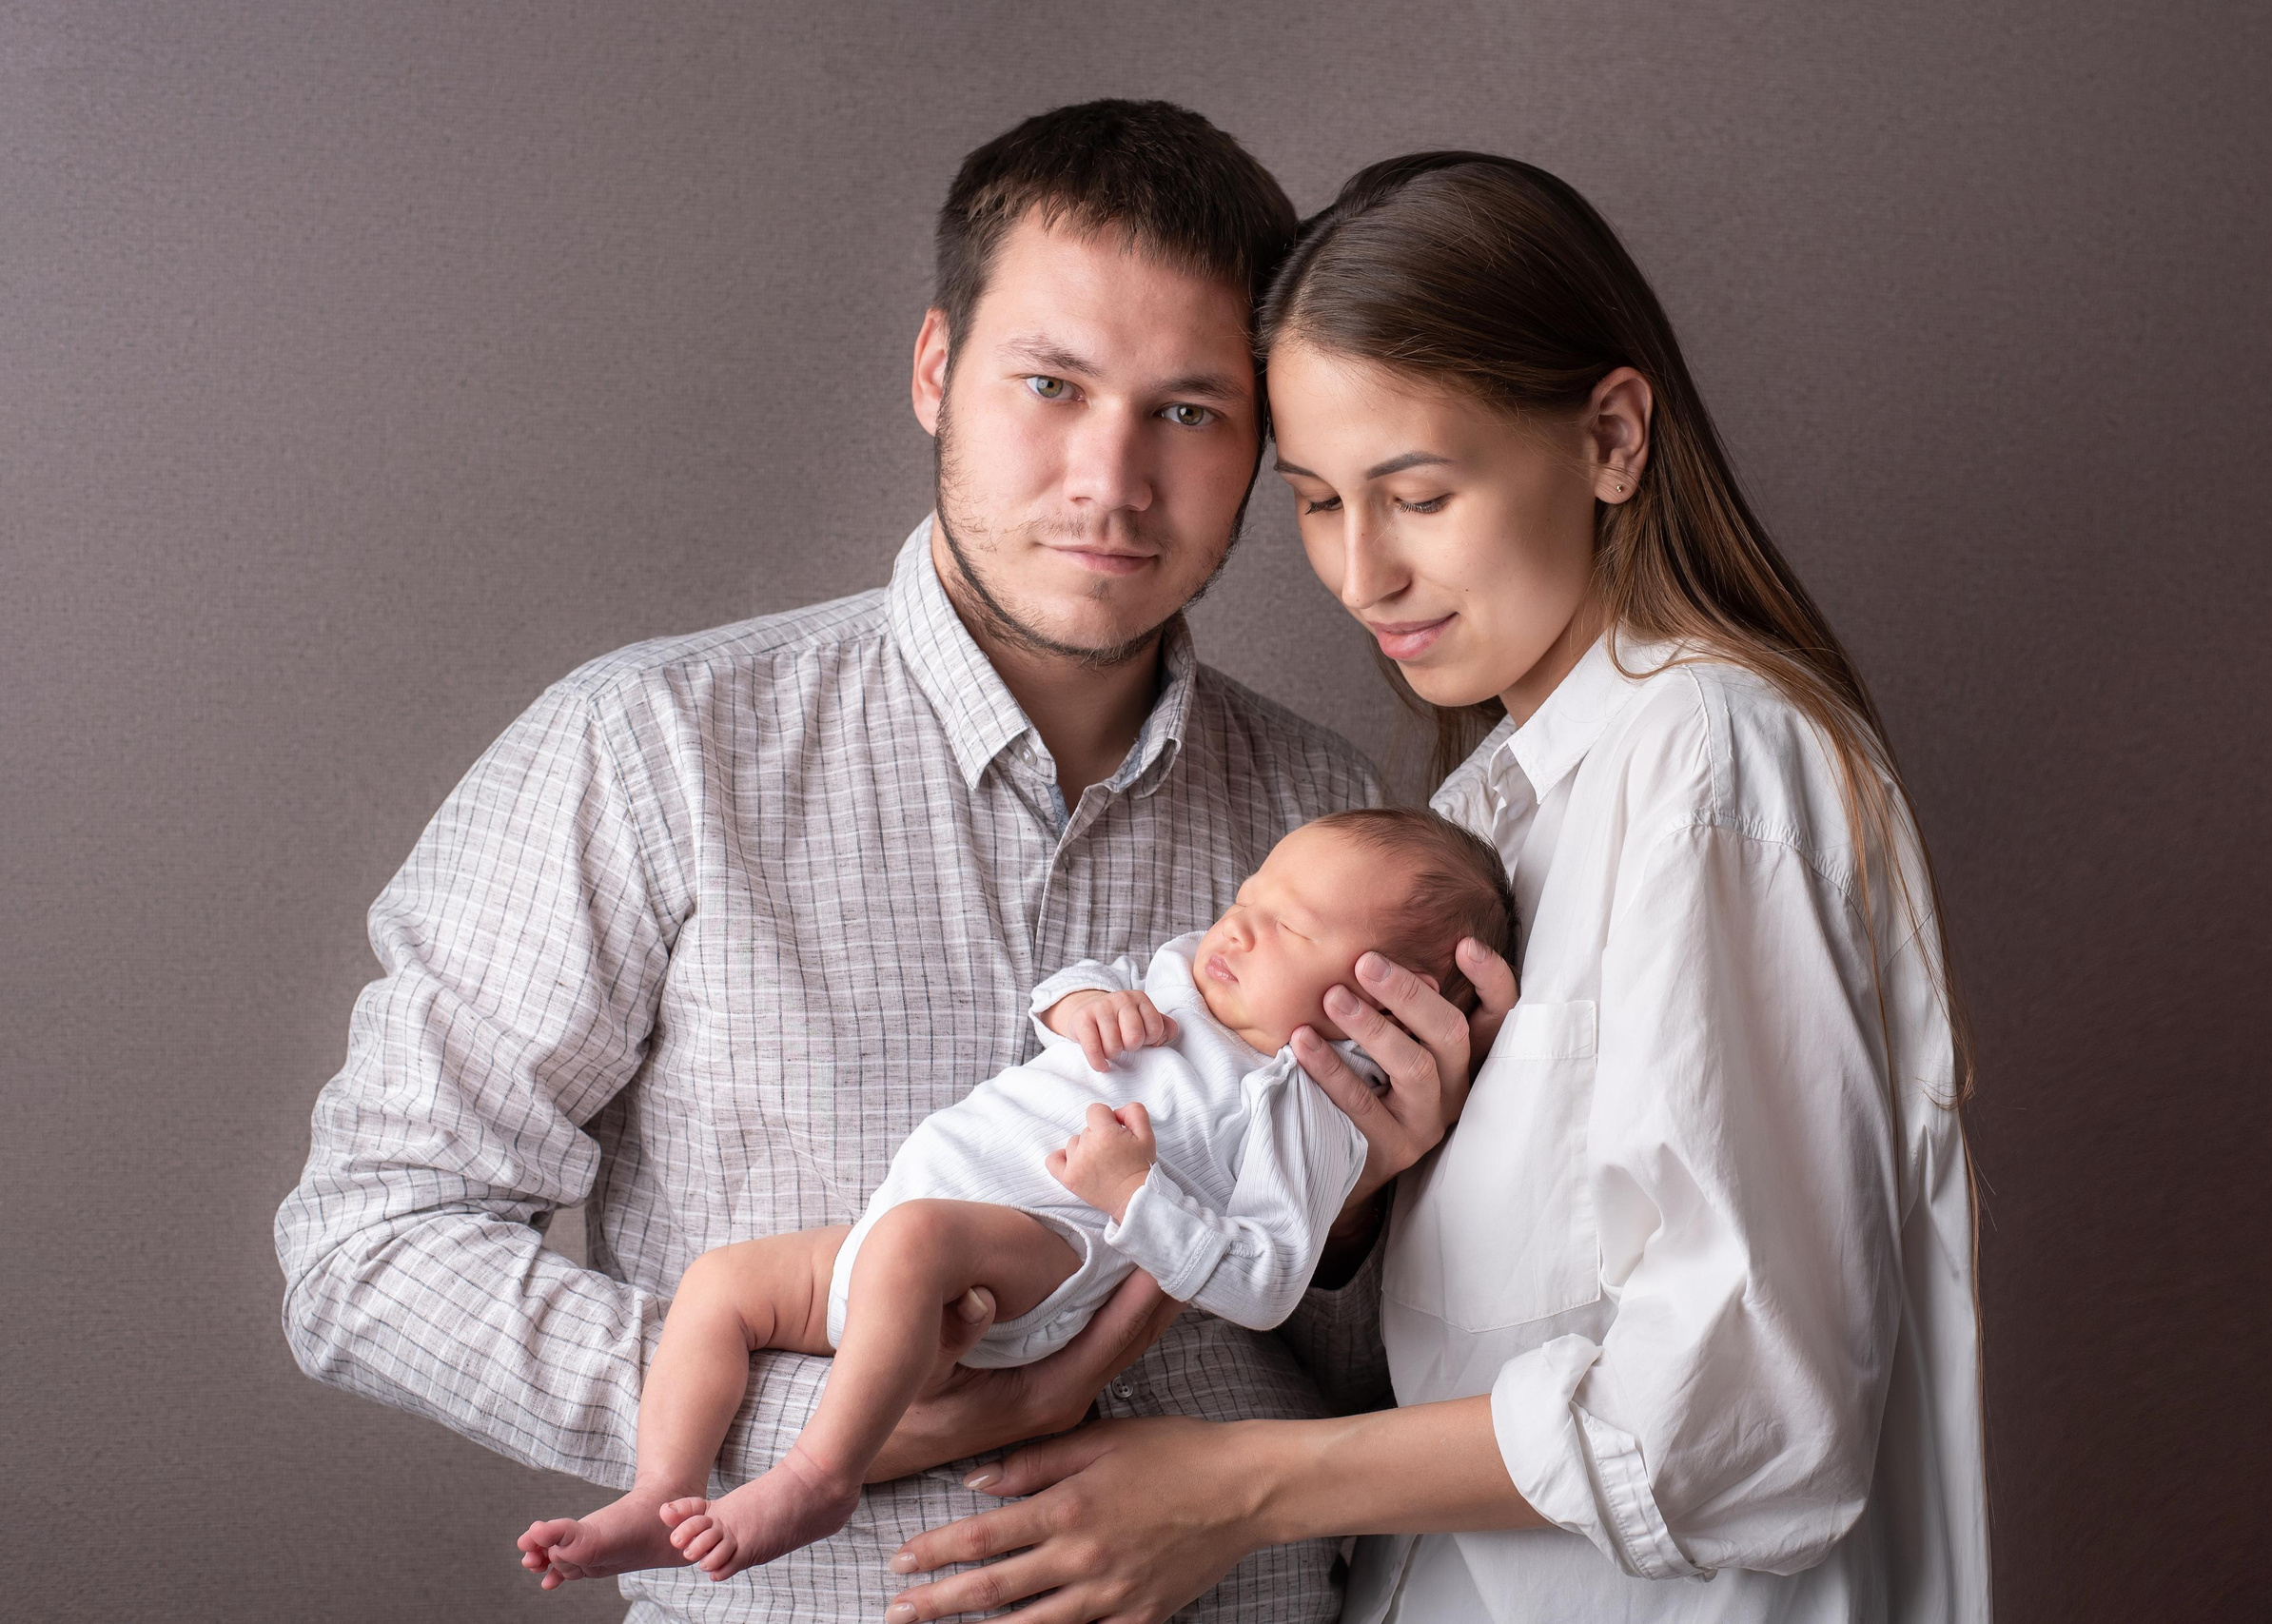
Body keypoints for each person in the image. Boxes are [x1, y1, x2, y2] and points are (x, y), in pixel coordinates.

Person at [273, 102, 1475, 1624]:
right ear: (935, 371)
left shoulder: (1337, 819)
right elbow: (367, 1245)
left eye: (1189, 410)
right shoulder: (651, 749)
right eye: (1051, 384)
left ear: (1261, 441)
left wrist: (1366, 1211)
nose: (1111, 479)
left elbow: (1397, 1373)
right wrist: (814, 1422)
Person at [880, 153, 1990, 1624]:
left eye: (1417, 495)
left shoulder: (1705, 759)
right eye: (1322, 502)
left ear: (1608, 436)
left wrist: (1237, 1484)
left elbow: (1747, 1416)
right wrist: (1349, 1193)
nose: (1363, 573)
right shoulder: (1488, 814)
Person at [519, 809, 1514, 1588]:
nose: (1238, 926)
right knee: (723, 1282)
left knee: (911, 1244)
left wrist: (1136, 1195)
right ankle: (663, 1488)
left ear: (1379, 1004)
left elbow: (1262, 1288)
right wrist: (1081, 1004)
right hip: (910, 1224)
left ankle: (818, 1479)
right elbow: (1068, 991)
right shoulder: (1182, 978)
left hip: (1042, 1252)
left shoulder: (1297, 1104)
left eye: (1290, 926)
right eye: (1250, 893)